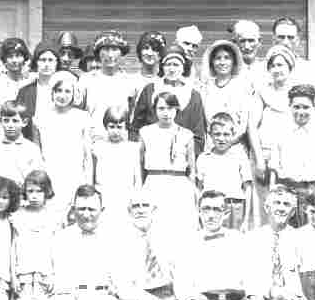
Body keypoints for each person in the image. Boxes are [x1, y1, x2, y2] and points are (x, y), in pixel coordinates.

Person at [10, 170, 59, 300]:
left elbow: (56, 248)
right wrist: (13, 275)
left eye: (39, 191)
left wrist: (53, 275)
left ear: (47, 192)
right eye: (30, 191)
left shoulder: (52, 217)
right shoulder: (17, 216)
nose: (34, 195)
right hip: (22, 273)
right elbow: (12, 247)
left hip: (43, 274)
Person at [250, 44, 300, 227]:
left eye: (281, 65)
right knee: (266, 205)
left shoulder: (298, 93)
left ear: (290, 67)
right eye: (273, 65)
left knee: (286, 204)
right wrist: (259, 159)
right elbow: (252, 126)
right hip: (265, 154)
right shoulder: (262, 91)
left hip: (289, 157)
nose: (277, 69)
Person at [139, 91, 198, 236]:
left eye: (170, 108)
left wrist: (192, 192)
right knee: (155, 228)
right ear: (155, 110)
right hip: (154, 183)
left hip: (179, 185)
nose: (166, 113)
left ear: (176, 109)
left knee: (179, 228)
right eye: (161, 108)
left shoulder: (186, 134)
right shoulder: (145, 132)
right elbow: (139, 165)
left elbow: (192, 169)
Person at [270, 84, 315, 226]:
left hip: (312, 192)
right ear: (290, 107)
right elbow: (274, 168)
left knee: (310, 232)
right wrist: (272, 193)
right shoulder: (280, 132)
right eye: (296, 107)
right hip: (287, 191)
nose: (301, 112)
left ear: (313, 107)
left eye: (305, 107)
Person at [132, 44, 206, 155]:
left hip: (182, 157)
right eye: (168, 65)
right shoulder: (150, 90)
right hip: (152, 155)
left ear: (183, 67)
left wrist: (187, 156)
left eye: (176, 65)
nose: (172, 69)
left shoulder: (193, 95)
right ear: (162, 67)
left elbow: (198, 135)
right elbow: (136, 128)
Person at [35, 72, 92, 218]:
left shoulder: (82, 117)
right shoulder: (41, 117)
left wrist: (88, 180)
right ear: (52, 92)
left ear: (74, 94)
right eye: (58, 90)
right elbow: (37, 150)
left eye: (67, 91)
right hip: (50, 172)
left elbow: (87, 154)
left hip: (74, 173)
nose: (62, 95)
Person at [195, 113, 252, 231]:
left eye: (226, 134)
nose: (221, 139)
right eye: (217, 134)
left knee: (233, 239)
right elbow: (198, 189)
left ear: (233, 134)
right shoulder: (204, 158)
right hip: (211, 207)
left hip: (234, 206)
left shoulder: (240, 157)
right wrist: (197, 216)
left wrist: (246, 220)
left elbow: (248, 188)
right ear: (210, 135)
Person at [81, 31, 136, 140]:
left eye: (115, 49)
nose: (110, 55)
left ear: (121, 53)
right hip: (92, 141)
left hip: (120, 141)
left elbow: (133, 116)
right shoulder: (86, 80)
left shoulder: (130, 82)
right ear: (98, 53)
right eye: (106, 49)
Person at [91, 104, 142, 219]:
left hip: (126, 197)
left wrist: (136, 199)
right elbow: (92, 177)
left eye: (119, 127)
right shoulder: (97, 148)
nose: (115, 131)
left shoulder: (133, 149)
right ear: (106, 126)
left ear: (126, 127)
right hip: (104, 196)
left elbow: (137, 179)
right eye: (112, 127)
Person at [0, 100, 45, 190]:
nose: (10, 125)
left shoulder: (32, 149)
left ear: (24, 122)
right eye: (6, 121)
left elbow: (38, 180)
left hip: (23, 195)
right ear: (0, 121)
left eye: (15, 121)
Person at [16, 41, 66, 141]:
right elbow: (18, 120)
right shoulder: (25, 91)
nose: (46, 64)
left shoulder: (65, 91)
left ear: (57, 63)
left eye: (50, 60)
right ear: (36, 62)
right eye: (43, 60)